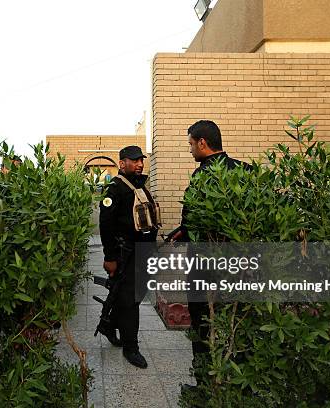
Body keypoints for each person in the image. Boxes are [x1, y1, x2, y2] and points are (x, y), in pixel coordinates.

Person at [170, 120, 250, 383]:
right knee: (235, 325)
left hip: (205, 269)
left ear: (202, 143)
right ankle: (236, 383)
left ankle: (205, 385)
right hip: (239, 266)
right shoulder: (245, 170)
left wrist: (187, 229)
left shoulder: (204, 175)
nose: (191, 150)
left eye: (191, 144)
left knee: (204, 325)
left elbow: (194, 219)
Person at [98, 145, 159, 368]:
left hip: (142, 253)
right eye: (134, 161)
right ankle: (131, 348)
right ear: (122, 163)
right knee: (130, 301)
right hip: (125, 255)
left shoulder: (139, 186)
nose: (140, 164)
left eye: (141, 160)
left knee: (135, 295)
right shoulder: (114, 189)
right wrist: (110, 257)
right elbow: (105, 225)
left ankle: (109, 324)